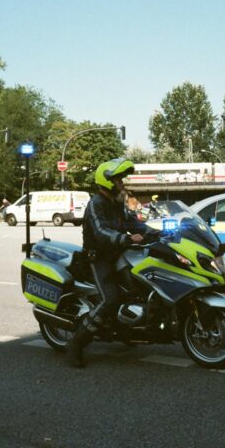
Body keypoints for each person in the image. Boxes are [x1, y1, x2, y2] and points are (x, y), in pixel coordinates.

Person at [66, 158, 159, 368]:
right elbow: (101, 232)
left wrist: (155, 232)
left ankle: (125, 328)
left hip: (117, 255)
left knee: (137, 286)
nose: (121, 183)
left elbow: (132, 223)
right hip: (97, 258)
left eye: (121, 179)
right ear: (107, 180)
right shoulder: (95, 204)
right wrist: (126, 238)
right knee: (110, 299)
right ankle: (76, 343)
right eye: (118, 179)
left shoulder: (117, 203)